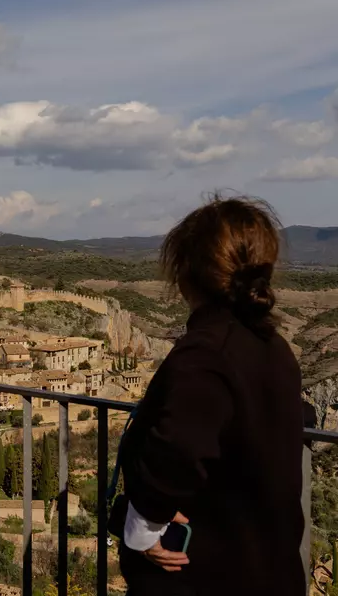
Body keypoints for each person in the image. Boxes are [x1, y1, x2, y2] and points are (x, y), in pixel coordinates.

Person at [116, 195, 305, 596]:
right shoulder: (272, 346)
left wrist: (143, 529)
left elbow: (175, 452)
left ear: (186, 273)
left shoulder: (207, 354)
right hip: (266, 569)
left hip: (204, 575)